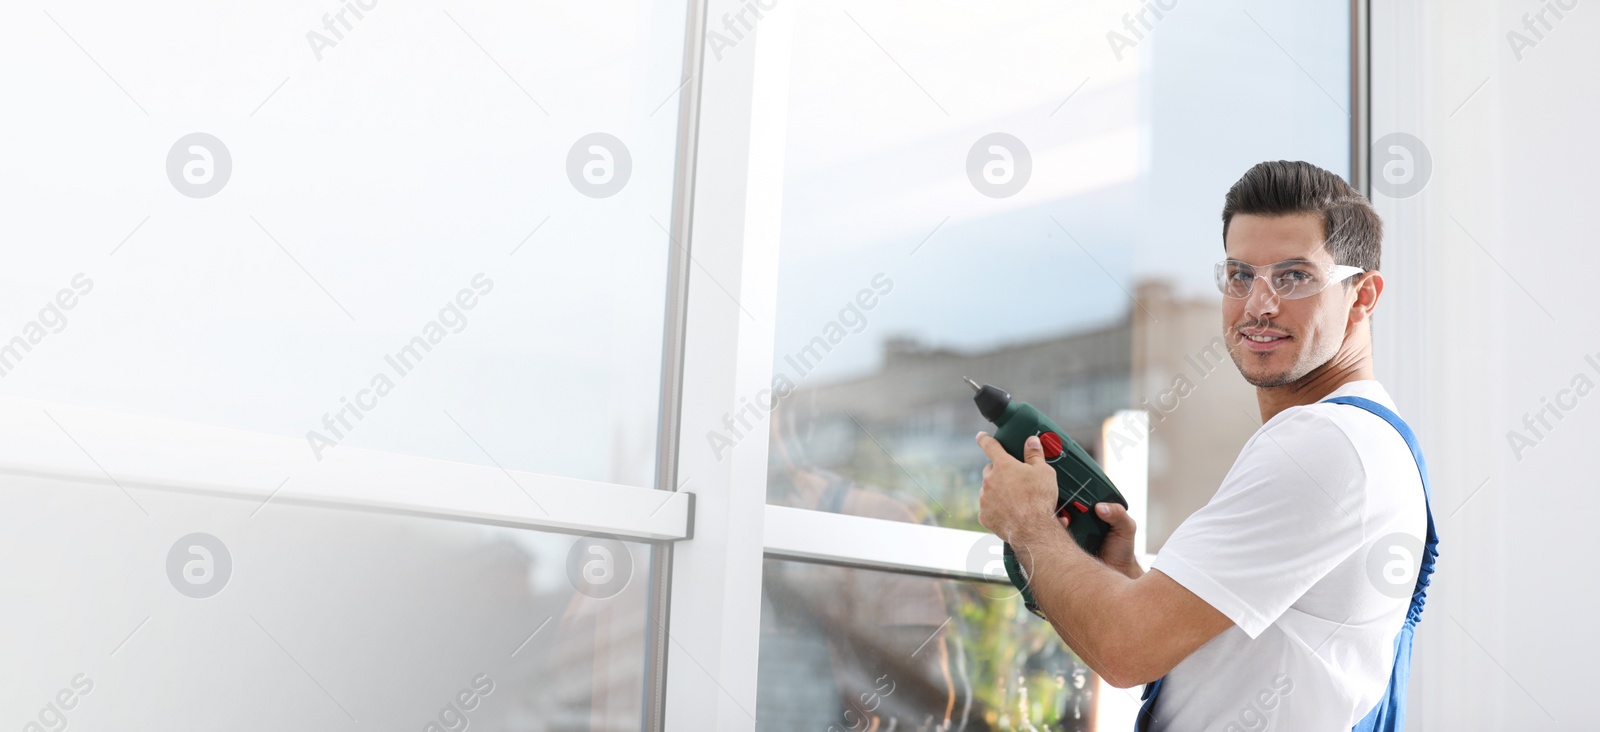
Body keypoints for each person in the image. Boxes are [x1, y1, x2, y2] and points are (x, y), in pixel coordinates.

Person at [974, 160, 1437, 731]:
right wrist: (1123, 579)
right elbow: (1221, 666)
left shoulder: (1325, 443)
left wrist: (1028, 524)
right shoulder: (1361, 441)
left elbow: (1125, 649)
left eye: (1293, 277)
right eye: (1241, 274)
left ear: (1363, 296)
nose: (1258, 304)